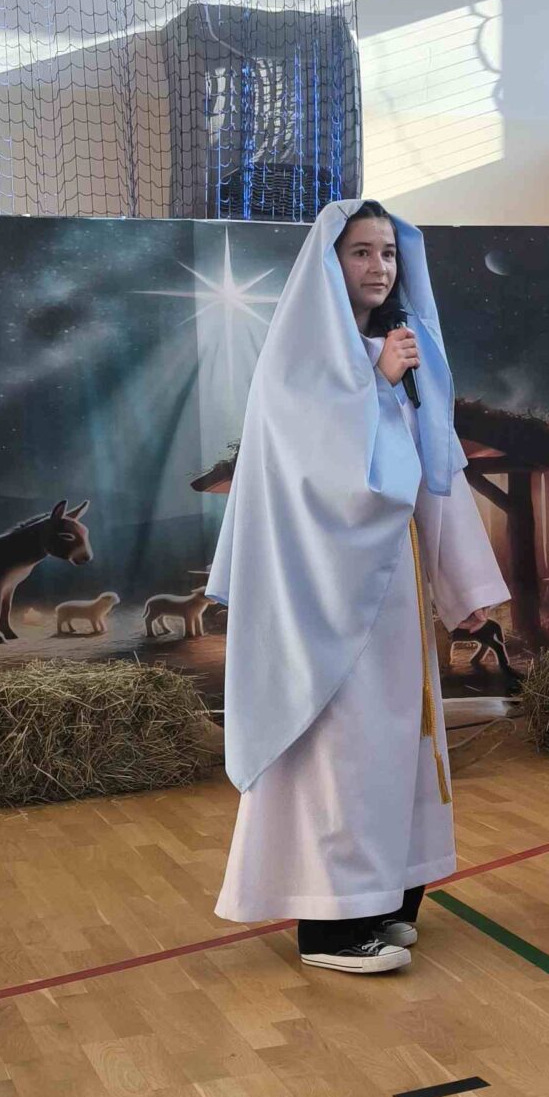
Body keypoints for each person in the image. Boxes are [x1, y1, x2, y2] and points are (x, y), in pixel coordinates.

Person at [210, 201, 509, 976]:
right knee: (341, 748)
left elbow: (436, 470)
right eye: (361, 253)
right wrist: (375, 385)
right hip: (324, 596)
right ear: (329, 263)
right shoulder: (301, 361)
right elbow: (319, 475)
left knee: (396, 744)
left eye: (388, 253)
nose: (379, 267)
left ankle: (382, 901)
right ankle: (328, 925)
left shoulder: (404, 352)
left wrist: (463, 584)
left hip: (393, 591)